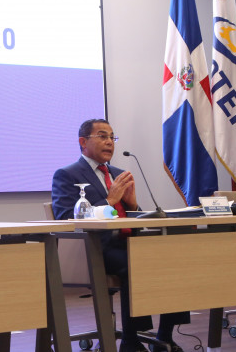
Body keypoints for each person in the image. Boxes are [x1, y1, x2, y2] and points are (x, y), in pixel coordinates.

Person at [52, 119, 189, 352]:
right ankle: (130, 340)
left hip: (127, 243)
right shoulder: (67, 175)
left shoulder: (118, 174)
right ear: (83, 142)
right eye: (102, 136)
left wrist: (133, 205)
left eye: (112, 137)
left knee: (173, 259)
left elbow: (135, 220)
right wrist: (109, 201)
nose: (109, 142)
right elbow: (65, 218)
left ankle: (164, 337)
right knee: (136, 262)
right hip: (93, 249)